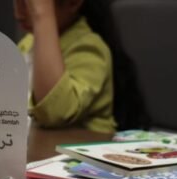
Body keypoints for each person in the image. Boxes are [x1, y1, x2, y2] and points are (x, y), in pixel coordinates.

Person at [14, 0, 116, 133]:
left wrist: (42, 16)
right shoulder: (27, 43)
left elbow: (54, 113)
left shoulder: (90, 47)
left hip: (81, 142)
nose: (18, 13)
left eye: (30, 4)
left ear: (73, 3)